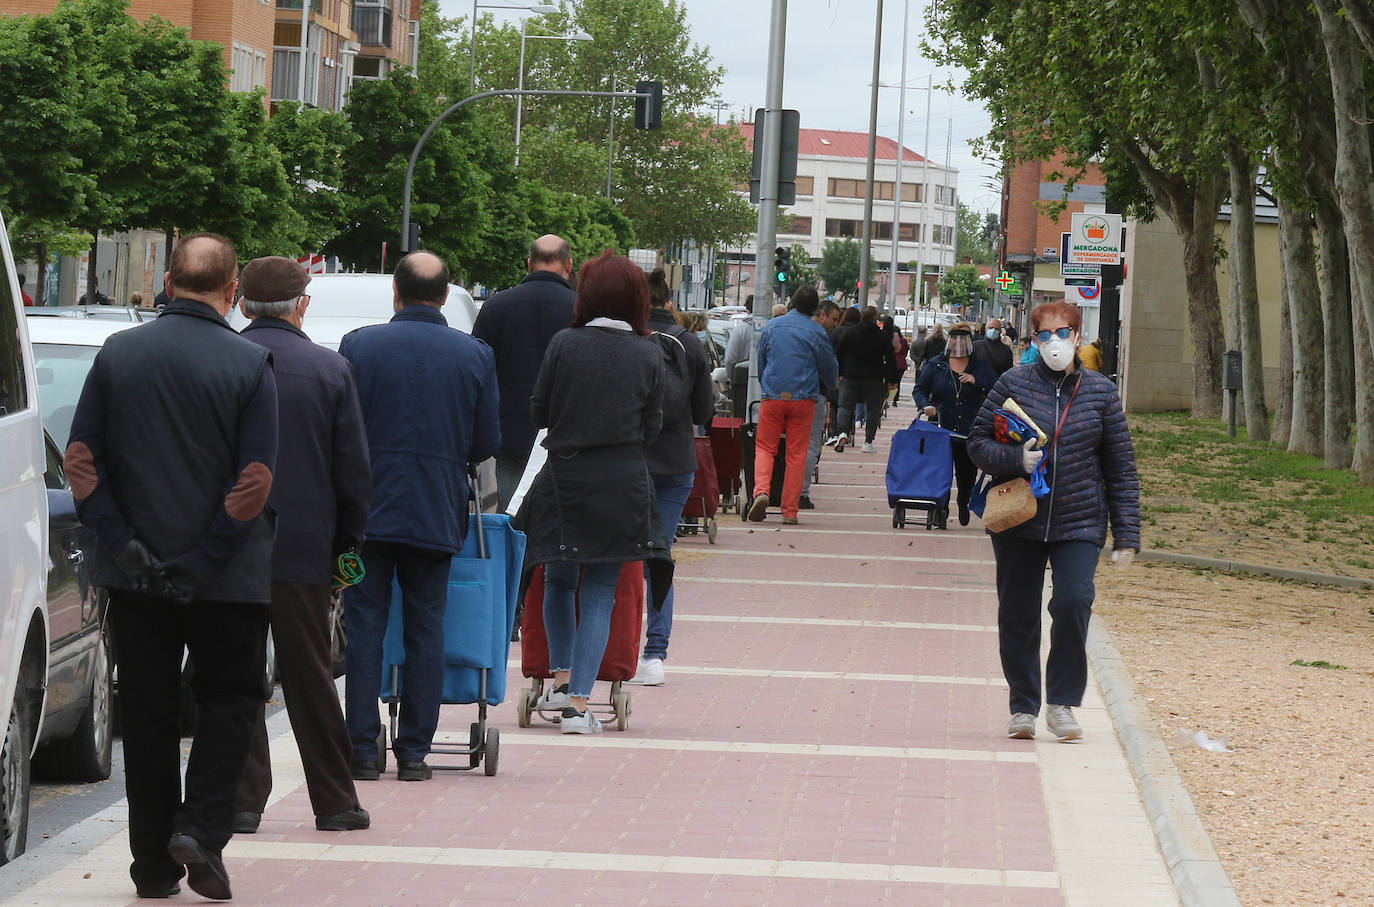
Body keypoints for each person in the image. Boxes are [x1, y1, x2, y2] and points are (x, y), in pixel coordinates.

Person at [65, 234, 278, 901]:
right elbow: (256, 479)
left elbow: (79, 459)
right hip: (227, 578)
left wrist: (124, 543)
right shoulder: (251, 362)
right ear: (231, 286)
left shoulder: (117, 354)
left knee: (150, 712)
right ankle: (202, 827)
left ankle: (152, 867)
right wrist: (205, 558)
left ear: (165, 279)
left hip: (134, 575)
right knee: (231, 699)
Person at [341, 251, 501, 781]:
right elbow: (486, 443)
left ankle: (363, 750)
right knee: (427, 627)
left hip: (366, 514)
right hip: (436, 512)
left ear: (396, 292)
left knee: (363, 625)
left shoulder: (358, 346)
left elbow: (340, 431)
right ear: (444, 293)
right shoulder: (474, 355)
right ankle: (414, 753)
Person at [234, 257, 372, 835]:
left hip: (230, 548)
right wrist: (346, 548)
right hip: (306, 548)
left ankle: (240, 801)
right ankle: (335, 801)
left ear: (242, 304)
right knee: (311, 674)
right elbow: (354, 474)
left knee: (237, 675)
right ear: (301, 305)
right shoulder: (330, 369)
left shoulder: (226, 361)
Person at [966, 301, 1140, 742]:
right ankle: (1023, 706)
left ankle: (1062, 704)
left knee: (1073, 602)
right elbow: (977, 443)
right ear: (1033, 341)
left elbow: (1121, 467)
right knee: (1019, 613)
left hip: (1080, 518)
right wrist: (1014, 458)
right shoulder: (1013, 383)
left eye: (1062, 333)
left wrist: (1127, 534)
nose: (1054, 343)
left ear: (1078, 338)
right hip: (1020, 517)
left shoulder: (1100, 392)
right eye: (1044, 335)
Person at [519, 251, 674, 732]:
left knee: (559, 580)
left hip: (565, 477)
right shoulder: (649, 352)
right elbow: (654, 425)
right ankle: (580, 706)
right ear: (637, 299)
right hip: (622, 479)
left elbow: (539, 411)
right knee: (602, 592)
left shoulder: (565, 344)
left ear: (586, 296)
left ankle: (562, 679)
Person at [631, 269, 714, 687]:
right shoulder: (690, 344)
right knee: (658, 558)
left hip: (628, 463)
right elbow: (703, 412)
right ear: (668, 301)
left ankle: (615, 648)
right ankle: (655, 654)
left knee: (621, 557)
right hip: (676, 463)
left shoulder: (629, 341)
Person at [472, 234, 577, 513]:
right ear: (568, 265)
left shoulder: (496, 306)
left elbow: (478, 371)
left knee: (510, 520)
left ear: (529, 264)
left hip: (509, 434)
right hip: (566, 437)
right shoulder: (582, 310)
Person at [746, 286, 838, 524]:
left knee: (765, 448)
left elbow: (762, 361)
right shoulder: (817, 332)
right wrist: (830, 385)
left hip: (773, 397)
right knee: (796, 454)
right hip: (804, 398)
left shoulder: (772, 326)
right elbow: (829, 367)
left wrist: (768, 385)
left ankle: (762, 492)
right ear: (814, 308)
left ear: (793, 302)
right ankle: (789, 511)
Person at [911, 322, 998, 527]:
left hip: (969, 428)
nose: (959, 344)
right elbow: (919, 390)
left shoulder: (980, 366)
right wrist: (926, 405)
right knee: (940, 471)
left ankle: (963, 501)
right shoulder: (936, 364)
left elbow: (996, 387)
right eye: (955, 338)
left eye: (963, 339)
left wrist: (976, 381)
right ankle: (941, 508)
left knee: (967, 473)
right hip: (941, 428)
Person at [833, 306, 895, 454]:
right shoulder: (881, 336)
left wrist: (840, 373)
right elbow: (891, 358)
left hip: (850, 375)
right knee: (873, 409)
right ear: (875, 318)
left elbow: (839, 353)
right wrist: (891, 378)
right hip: (873, 378)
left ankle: (842, 433)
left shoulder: (849, 332)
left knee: (845, 406)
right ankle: (868, 442)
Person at [800, 299, 843, 510]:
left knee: (781, 444)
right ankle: (801, 493)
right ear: (822, 315)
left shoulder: (786, 327)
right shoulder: (820, 335)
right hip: (813, 394)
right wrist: (832, 383)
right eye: (834, 319)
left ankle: (768, 489)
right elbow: (829, 367)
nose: (836, 323)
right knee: (809, 445)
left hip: (779, 394)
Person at [882, 314, 911, 407]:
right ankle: (892, 399)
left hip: (886, 362)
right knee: (896, 383)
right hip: (901, 363)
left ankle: (885, 400)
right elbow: (905, 350)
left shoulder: (882, 335)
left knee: (884, 382)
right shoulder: (902, 340)